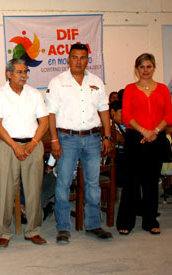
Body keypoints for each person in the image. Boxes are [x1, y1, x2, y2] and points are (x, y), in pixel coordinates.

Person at [46, 43, 114, 245]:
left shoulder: (96, 82)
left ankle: (93, 225)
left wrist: (108, 136)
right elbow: (51, 114)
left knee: (93, 184)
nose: (78, 61)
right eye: (74, 57)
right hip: (66, 139)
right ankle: (63, 228)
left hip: (93, 139)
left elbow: (104, 110)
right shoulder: (58, 82)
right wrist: (54, 140)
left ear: (87, 59)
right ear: (68, 59)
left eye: (82, 57)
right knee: (63, 183)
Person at [0, 58, 49, 249]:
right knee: (6, 189)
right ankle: (4, 233)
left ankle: (33, 230)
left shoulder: (34, 94)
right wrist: (15, 146)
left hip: (33, 144)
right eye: (19, 72)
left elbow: (44, 122)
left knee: (33, 190)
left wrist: (32, 143)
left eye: (25, 72)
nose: (24, 75)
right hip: (8, 146)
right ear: (9, 74)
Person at [116, 53, 172, 235]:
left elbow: (169, 116)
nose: (145, 70)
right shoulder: (130, 89)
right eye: (142, 67)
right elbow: (126, 116)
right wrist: (144, 131)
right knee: (132, 182)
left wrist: (154, 131)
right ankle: (126, 221)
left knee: (150, 182)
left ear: (154, 68)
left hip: (157, 139)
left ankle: (150, 221)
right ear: (136, 69)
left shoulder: (163, 89)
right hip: (135, 138)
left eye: (149, 66)